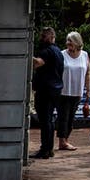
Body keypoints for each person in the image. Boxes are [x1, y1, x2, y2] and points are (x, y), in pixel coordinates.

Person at [31, 27, 64, 159]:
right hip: (55, 89)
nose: (41, 38)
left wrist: (25, 54)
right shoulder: (58, 51)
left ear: (51, 37)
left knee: (45, 120)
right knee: (49, 120)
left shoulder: (46, 51)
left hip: (45, 89)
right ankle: (49, 149)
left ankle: (45, 149)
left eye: (44, 36)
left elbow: (38, 63)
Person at [56, 31, 90, 152]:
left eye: (70, 41)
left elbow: (88, 73)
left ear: (77, 42)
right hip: (63, 91)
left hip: (77, 92)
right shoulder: (62, 54)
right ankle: (62, 141)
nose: (68, 43)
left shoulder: (84, 55)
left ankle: (65, 140)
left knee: (71, 117)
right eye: (67, 40)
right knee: (63, 117)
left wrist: (87, 90)